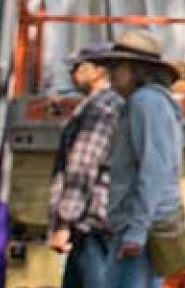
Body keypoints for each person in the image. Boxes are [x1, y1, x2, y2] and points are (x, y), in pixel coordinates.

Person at [93, 31, 185, 288]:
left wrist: (136, 231)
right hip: (144, 223)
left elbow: (154, 170)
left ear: (138, 70)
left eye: (117, 66)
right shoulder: (148, 102)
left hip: (142, 225)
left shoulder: (145, 102)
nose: (111, 74)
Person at [46, 44, 125, 288]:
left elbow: (83, 166)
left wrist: (63, 223)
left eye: (79, 67)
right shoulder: (112, 104)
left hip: (92, 221)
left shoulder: (100, 108)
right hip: (107, 217)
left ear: (99, 71)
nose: (73, 73)